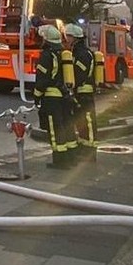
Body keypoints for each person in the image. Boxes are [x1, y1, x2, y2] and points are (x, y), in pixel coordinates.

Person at [35, 24, 77, 169]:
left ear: (46, 40)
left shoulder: (47, 55)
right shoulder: (63, 53)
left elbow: (41, 80)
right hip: (65, 96)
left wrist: (37, 96)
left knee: (55, 130)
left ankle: (59, 161)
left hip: (51, 99)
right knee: (66, 126)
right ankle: (71, 157)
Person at [65, 23, 98, 162]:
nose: (67, 39)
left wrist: (71, 85)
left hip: (84, 93)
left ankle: (90, 152)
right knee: (81, 122)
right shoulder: (76, 52)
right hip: (79, 93)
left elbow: (79, 74)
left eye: (68, 36)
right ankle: (84, 148)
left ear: (75, 37)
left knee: (88, 122)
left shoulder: (83, 54)